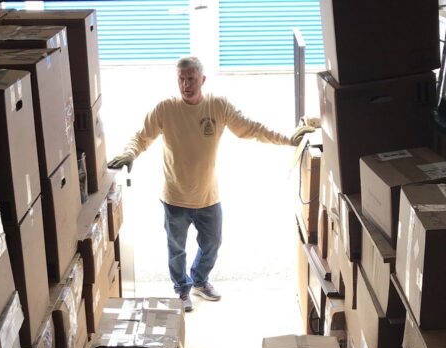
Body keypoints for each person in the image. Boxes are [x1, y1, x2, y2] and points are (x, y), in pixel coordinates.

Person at [108, 56, 314, 312]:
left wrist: (288, 139)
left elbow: (252, 128)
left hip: (207, 196)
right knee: (176, 250)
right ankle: (182, 289)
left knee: (212, 243)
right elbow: (141, 137)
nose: (186, 85)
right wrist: (130, 153)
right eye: (181, 80)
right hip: (175, 197)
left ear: (202, 80)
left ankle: (200, 279)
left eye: (191, 79)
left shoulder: (218, 106)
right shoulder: (166, 109)